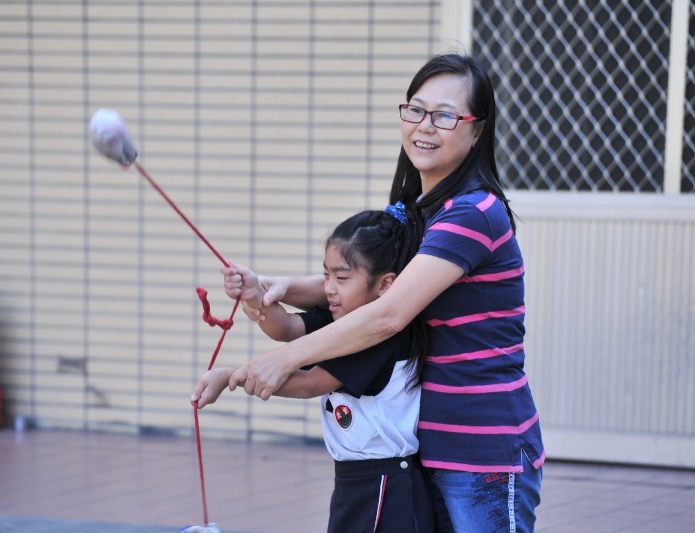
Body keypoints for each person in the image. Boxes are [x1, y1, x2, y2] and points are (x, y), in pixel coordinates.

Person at [222, 53, 545, 532]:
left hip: (485, 450)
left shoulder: (474, 213)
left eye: (445, 115)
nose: (425, 126)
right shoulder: (419, 211)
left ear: (477, 131)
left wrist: (286, 358)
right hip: (428, 446)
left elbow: (388, 313)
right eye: (415, 109)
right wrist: (281, 286)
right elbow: (372, 284)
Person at [192, 207, 436, 533]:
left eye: (342, 277)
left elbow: (309, 383)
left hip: (386, 481)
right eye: (326, 275)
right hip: (358, 477)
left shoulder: (376, 335)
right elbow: (288, 327)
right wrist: (253, 295)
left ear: (385, 284)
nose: (329, 288)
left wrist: (230, 377)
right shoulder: (343, 318)